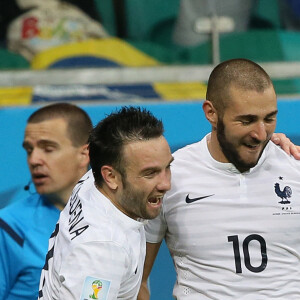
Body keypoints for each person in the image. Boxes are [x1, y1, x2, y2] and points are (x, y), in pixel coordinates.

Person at [138, 58, 300, 300]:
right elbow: (136, 279)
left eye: (268, 119)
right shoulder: (170, 177)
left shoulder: (294, 166)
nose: (260, 134)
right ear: (211, 113)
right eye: (246, 120)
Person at [38, 106, 174, 300]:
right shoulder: (102, 254)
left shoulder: (91, 182)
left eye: (167, 167)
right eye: (150, 173)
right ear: (111, 176)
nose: (166, 184)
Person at [0, 102, 92, 300]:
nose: (34, 160)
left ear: (85, 154)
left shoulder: (119, 217)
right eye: (29, 150)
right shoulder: (8, 227)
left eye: (48, 149)